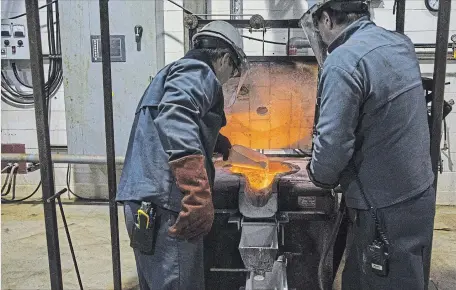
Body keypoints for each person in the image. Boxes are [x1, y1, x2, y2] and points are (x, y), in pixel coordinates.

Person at [302, 1, 435, 289]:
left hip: (380, 206)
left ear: (326, 19)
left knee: (371, 279)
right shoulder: (400, 44)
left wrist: (316, 175)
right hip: (419, 193)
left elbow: (333, 144)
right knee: (408, 276)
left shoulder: (343, 61)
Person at [116, 20, 248, 290]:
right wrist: (197, 194)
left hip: (143, 201)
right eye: (233, 71)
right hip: (168, 206)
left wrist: (217, 142)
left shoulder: (170, 73)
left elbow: (166, 121)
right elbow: (176, 117)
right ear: (224, 59)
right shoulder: (198, 71)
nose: (229, 78)